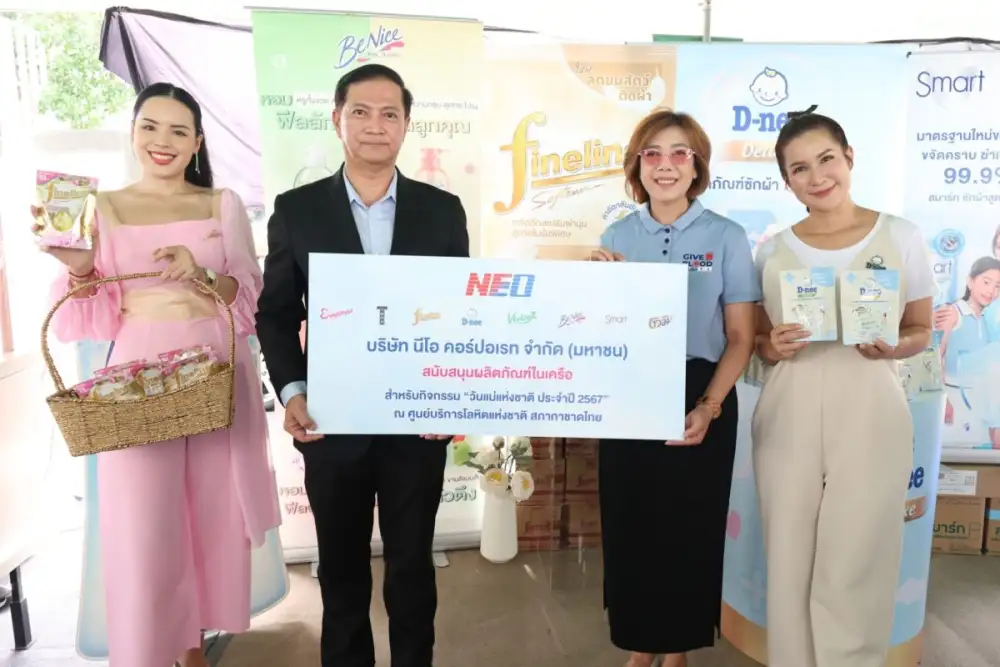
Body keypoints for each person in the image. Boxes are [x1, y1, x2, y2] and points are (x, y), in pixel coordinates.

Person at [41, 83, 281, 667]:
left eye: (178, 130)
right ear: (132, 132)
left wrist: (201, 275)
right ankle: (152, 648)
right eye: (150, 126)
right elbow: (90, 319)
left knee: (212, 514)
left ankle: (193, 650)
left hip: (216, 375)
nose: (162, 141)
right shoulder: (101, 208)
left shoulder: (222, 203)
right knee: (145, 522)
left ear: (197, 142)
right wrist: (80, 269)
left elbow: (247, 298)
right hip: (135, 381)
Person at [255, 63, 469, 667]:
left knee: (412, 570)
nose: (376, 125)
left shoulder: (442, 210)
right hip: (330, 422)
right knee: (341, 572)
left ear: (406, 124)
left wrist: (452, 395)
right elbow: (275, 313)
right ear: (337, 120)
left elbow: (459, 314)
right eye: (361, 112)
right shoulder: (297, 210)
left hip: (417, 424)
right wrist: (292, 390)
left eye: (389, 113)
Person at [752, 107, 933, 667]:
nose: (817, 176)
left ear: (849, 157)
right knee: (788, 554)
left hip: (872, 407)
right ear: (787, 181)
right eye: (799, 168)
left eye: (826, 158)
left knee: (859, 554)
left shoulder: (901, 236)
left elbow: (921, 329)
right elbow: (756, 342)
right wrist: (773, 344)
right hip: (789, 409)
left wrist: (894, 347)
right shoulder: (772, 249)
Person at [590, 109, 759, 667]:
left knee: (691, 525)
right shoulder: (617, 235)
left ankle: (679, 644)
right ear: (638, 164)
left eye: (679, 153)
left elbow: (741, 337)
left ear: (697, 165)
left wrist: (708, 406)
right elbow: (598, 328)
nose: (666, 165)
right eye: (653, 153)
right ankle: (642, 642)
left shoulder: (727, 236)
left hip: (701, 389)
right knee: (632, 522)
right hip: (630, 392)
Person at [936, 256, 1000, 448]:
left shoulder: (986, 320)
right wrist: (943, 400)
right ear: (970, 281)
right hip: (955, 399)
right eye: (986, 282)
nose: (991, 291)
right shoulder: (952, 313)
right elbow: (936, 355)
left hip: (979, 403)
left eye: (997, 286)